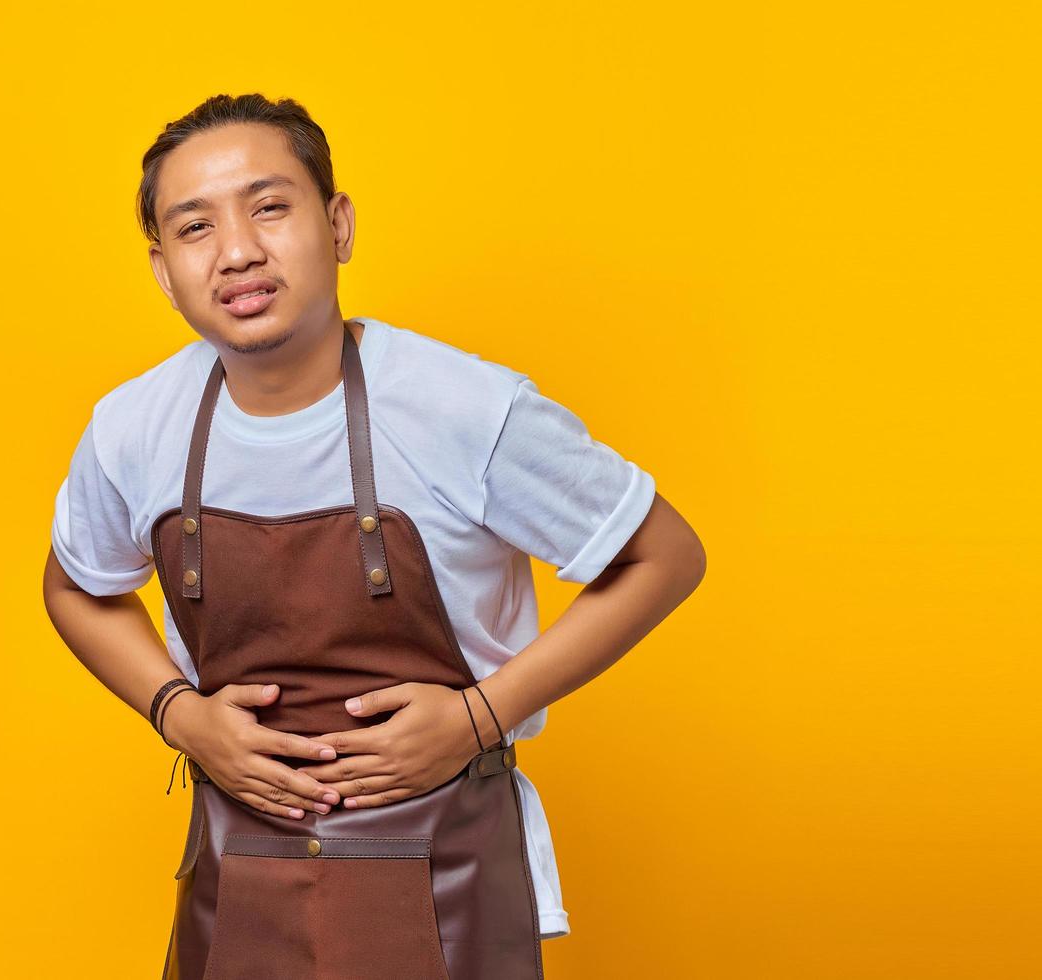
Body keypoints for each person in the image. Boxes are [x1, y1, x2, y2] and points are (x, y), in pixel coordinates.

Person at [41, 93, 705, 980]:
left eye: (269, 206)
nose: (238, 250)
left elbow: (666, 555)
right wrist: (182, 716)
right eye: (195, 227)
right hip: (241, 873)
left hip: (446, 870)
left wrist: (479, 716)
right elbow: (75, 586)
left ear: (339, 223)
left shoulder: (467, 409)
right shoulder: (133, 428)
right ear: (164, 272)